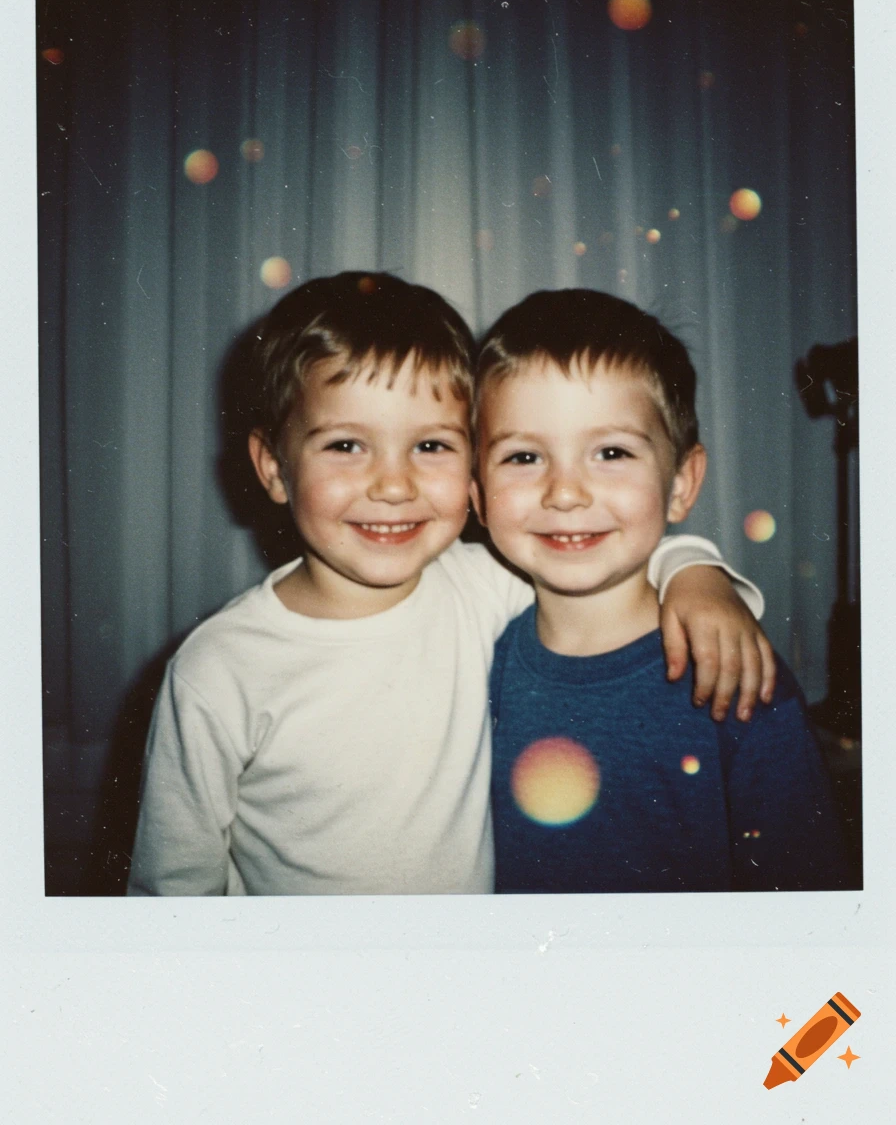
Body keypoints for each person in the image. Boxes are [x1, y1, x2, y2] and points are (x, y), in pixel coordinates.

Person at [127, 272, 773, 896]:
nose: (393, 485)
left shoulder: (480, 583)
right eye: (346, 446)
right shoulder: (219, 669)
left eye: (431, 446)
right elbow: (172, 889)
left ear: (473, 471)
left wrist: (695, 571)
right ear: (273, 466)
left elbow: (600, 560)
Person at [474, 288, 852, 893]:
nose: (564, 492)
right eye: (523, 457)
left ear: (681, 484)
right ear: (476, 495)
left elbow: (808, 894)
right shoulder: (475, 656)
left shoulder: (732, 670)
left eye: (611, 452)